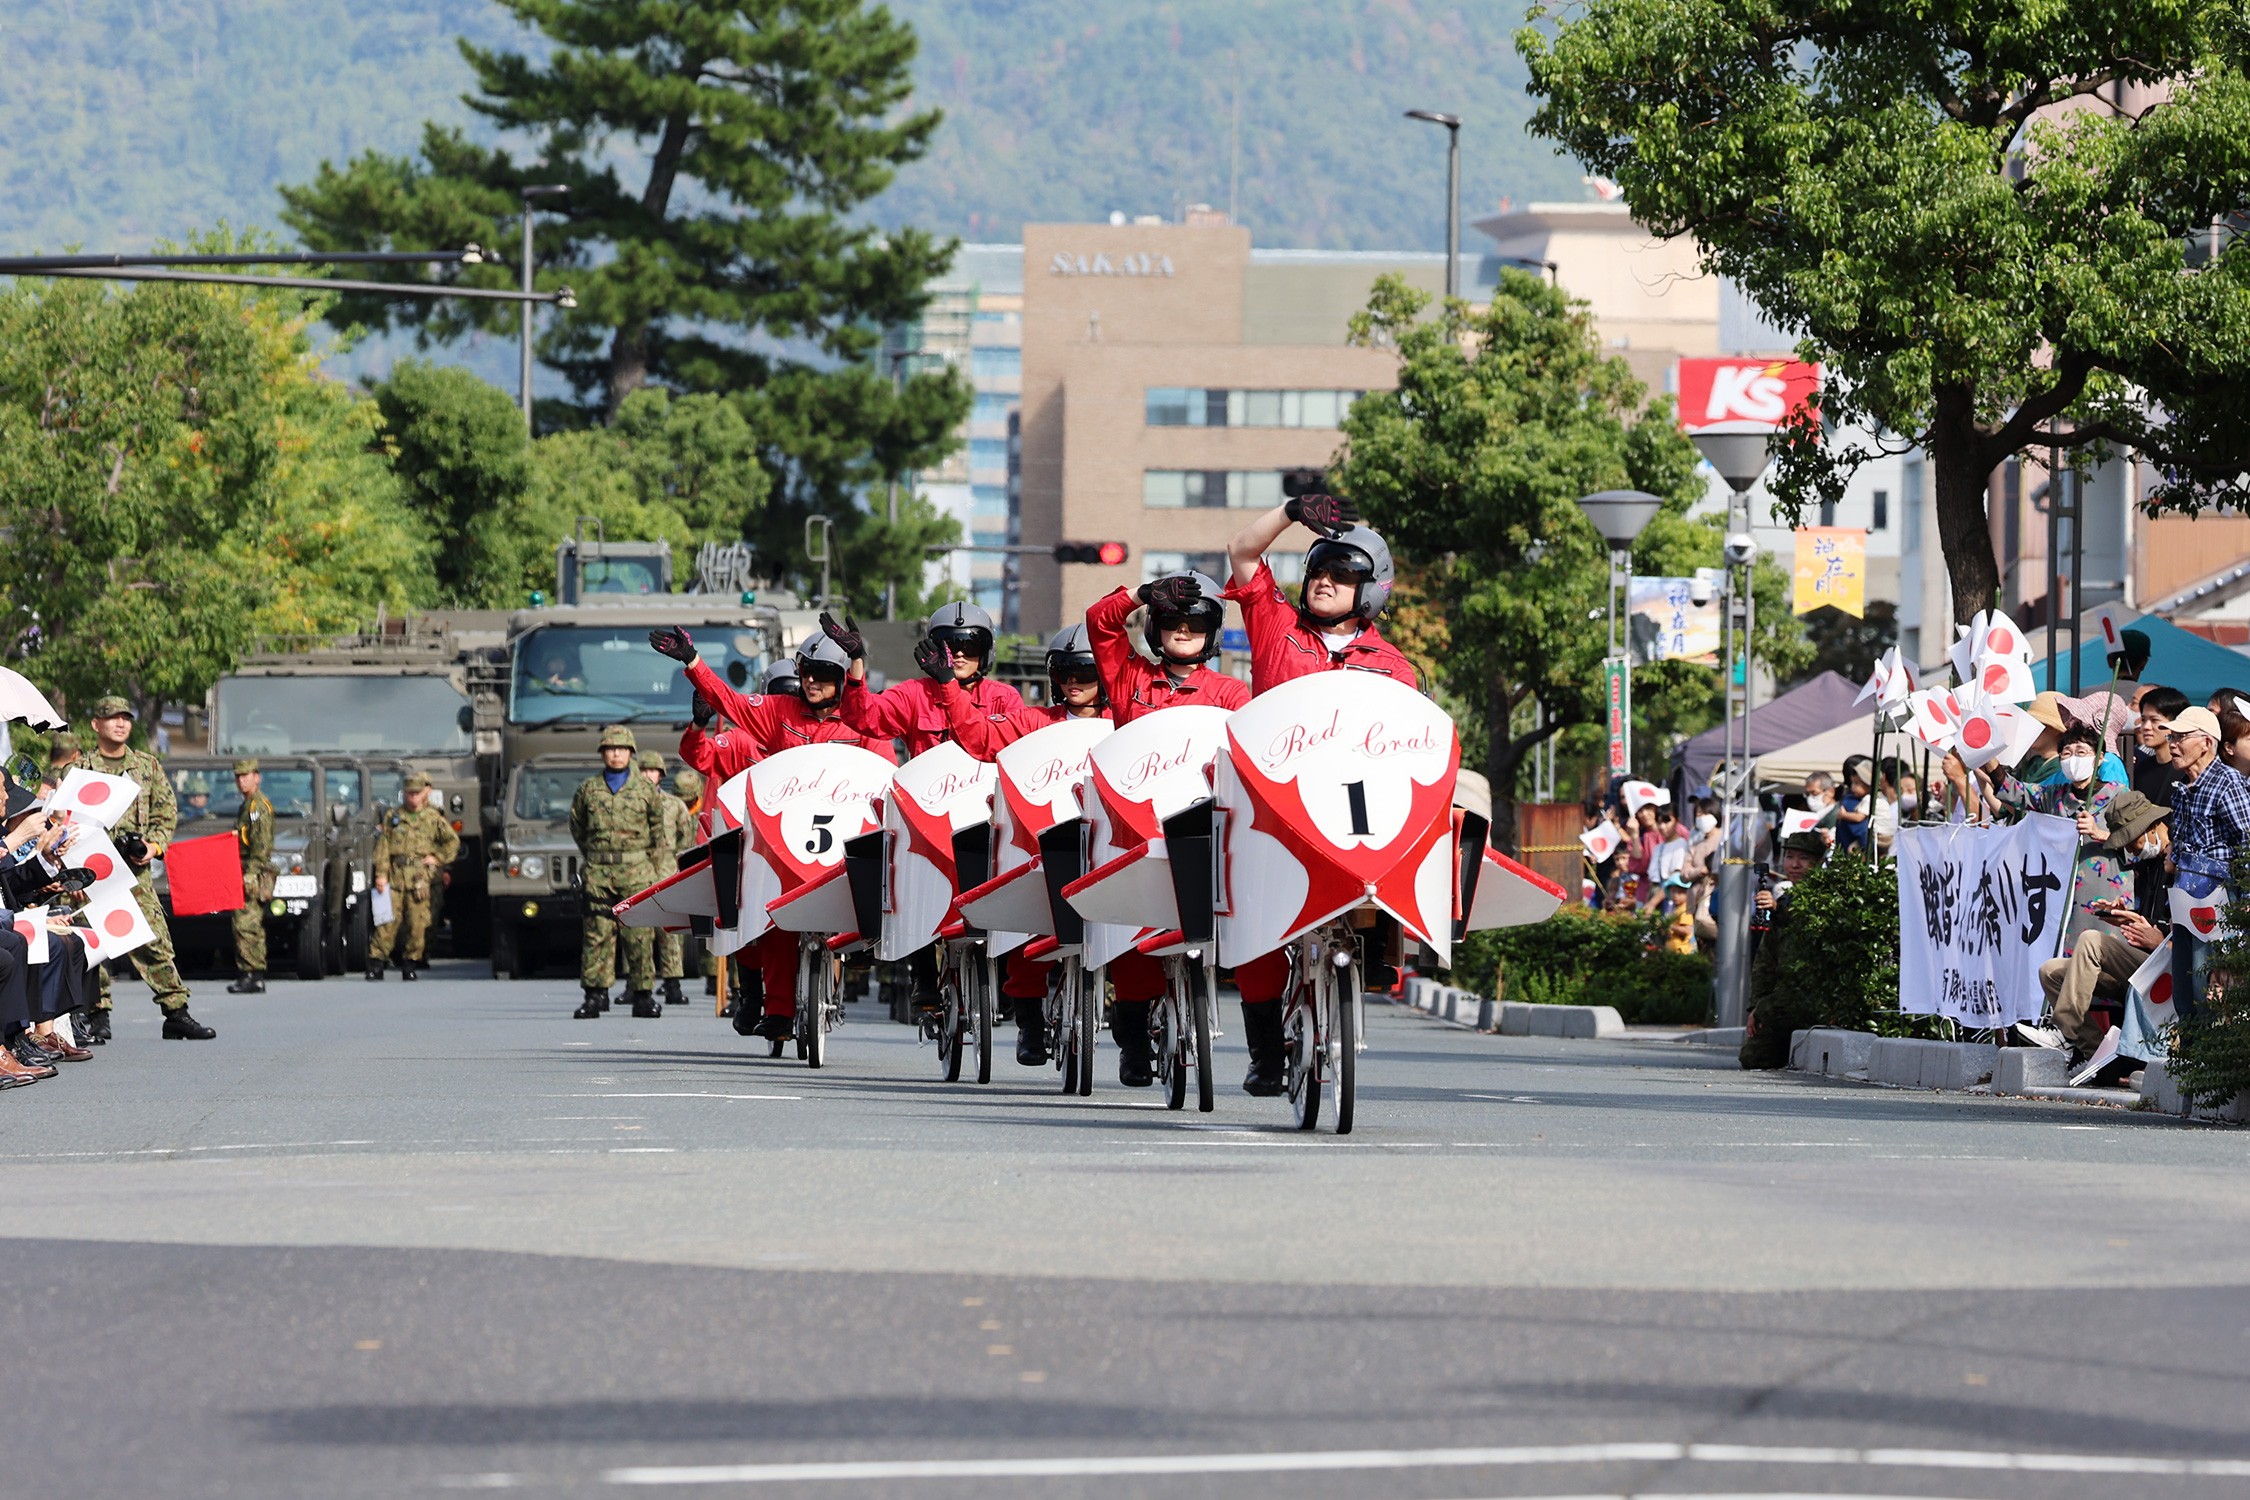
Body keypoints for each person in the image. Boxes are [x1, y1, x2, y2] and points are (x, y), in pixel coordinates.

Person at [1223, 490, 1417, 1095]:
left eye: (1344, 575)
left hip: (1356, 815)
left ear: (1373, 590)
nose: (1326, 583)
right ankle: (1264, 1054)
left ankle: (1386, 947)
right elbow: (1242, 552)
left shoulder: (1395, 666)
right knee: (1250, 926)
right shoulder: (1277, 626)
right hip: (1274, 811)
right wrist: (1289, 511)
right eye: (1319, 572)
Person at [650, 627, 888, 1037]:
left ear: (841, 679)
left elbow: (886, 776)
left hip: (846, 841)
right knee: (778, 915)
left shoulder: (864, 720)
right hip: (786, 840)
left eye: (823, 675)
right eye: (806, 673)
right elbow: (730, 702)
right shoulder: (777, 710)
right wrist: (693, 661)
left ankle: (865, 943)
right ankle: (775, 1010)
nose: (811, 682)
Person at [934, 623, 1129, 1070]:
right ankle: (1029, 1023)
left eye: (1086, 672)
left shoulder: (1128, 723)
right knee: (1028, 919)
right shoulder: (1032, 722)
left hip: (1111, 845)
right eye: (1065, 673)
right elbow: (979, 738)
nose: (1074, 683)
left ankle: (1133, 1027)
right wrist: (948, 687)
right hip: (1048, 848)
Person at [83, 696, 212, 1041]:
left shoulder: (147, 766)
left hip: (135, 873)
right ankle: (97, 1016)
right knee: (94, 944)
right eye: (112, 718)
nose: (120, 723)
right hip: (94, 873)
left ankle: (176, 1012)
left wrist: (153, 847)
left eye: (125, 717)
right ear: (97, 724)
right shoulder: (80, 769)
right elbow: (67, 820)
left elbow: (165, 812)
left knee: (154, 941)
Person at [2034, 791, 2171, 1082]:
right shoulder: (2149, 865)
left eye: (2131, 842)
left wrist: (2159, 940)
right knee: (2051, 971)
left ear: (2150, 828)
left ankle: (2064, 1029)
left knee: (2092, 940)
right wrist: (2125, 914)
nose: (2132, 852)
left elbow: (2192, 932)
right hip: (2143, 966)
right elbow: (2148, 920)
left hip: (2167, 967)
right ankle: (2100, 1058)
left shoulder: (2179, 862)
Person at [833, 603, 1028, 758]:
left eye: (971, 646)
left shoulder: (1004, 698)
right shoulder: (915, 694)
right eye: (949, 645)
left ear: (986, 652)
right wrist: (857, 659)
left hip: (986, 804)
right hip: (927, 801)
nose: (959, 653)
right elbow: (862, 717)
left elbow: (1018, 755)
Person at [2158, 705, 2250, 1026]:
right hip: (2187, 904)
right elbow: (2180, 853)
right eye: (2171, 736)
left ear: (2207, 743)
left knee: (2210, 986)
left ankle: (2212, 1067)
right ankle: (2193, 1062)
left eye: (2181, 736)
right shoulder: (2182, 790)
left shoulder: (2228, 784)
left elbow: (2248, 843)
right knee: (2184, 990)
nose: (2172, 743)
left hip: (2222, 904)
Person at [569, 726, 667, 1020]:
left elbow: (657, 830)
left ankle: (642, 995)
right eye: (610, 748)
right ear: (602, 753)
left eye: (622, 748)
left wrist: (646, 863)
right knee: (596, 934)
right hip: (599, 871)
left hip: (636, 870)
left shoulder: (646, 790)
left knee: (639, 935)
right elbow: (578, 826)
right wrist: (595, 857)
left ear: (630, 753)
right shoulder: (588, 789)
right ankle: (595, 995)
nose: (616, 753)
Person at [1082, 571, 1250, 724]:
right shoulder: (1131, 678)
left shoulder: (1229, 692)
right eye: (1171, 620)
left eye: (1196, 622)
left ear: (1212, 632)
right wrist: (1144, 593)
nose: (1183, 629)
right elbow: (1099, 621)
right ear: (1155, 627)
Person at [1738, 830, 1828, 1069]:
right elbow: (1765, 961)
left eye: (1804, 859)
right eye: (1790, 857)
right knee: (1753, 1057)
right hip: (1783, 998)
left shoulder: (1825, 898)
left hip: (1809, 996)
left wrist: (1777, 909)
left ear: (1818, 863)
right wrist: (1755, 1006)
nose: (1795, 864)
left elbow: (1806, 920)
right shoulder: (1788, 898)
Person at [366, 772, 461, 983]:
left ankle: (410, 962)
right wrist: (381, 875)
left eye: (417, 793)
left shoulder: (433, 818)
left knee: (418, 923)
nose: (413, 798)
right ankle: (376, 963)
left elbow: (452, 842)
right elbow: (383, 848)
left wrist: (438, 858)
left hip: (419, 878)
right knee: (387, 921)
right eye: (409, 794)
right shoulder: (393, 817)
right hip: (396, 876)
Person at [640, 752, 698, 1007]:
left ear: (661, 775)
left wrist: (676, 865)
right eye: (643, 770)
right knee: (638, 931)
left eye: (653, 770)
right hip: (637, 869)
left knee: (670, 930)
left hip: (665, 870)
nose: (648, 775)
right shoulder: (630, 803)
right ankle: (638, 983)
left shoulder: (675, 805)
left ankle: (673, 983)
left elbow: (686, 838)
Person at [226, 758, 275, 995]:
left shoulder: (258, 807)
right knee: (243, 923)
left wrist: (252, 874)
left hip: (251, 872)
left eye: (246, 776)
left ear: (257, 777)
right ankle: (249, 973)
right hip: (241, 869)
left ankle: (252, 974)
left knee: (247, 923)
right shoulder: (247, 806)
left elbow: (261, 846)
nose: (241, 780)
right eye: (238, 776)